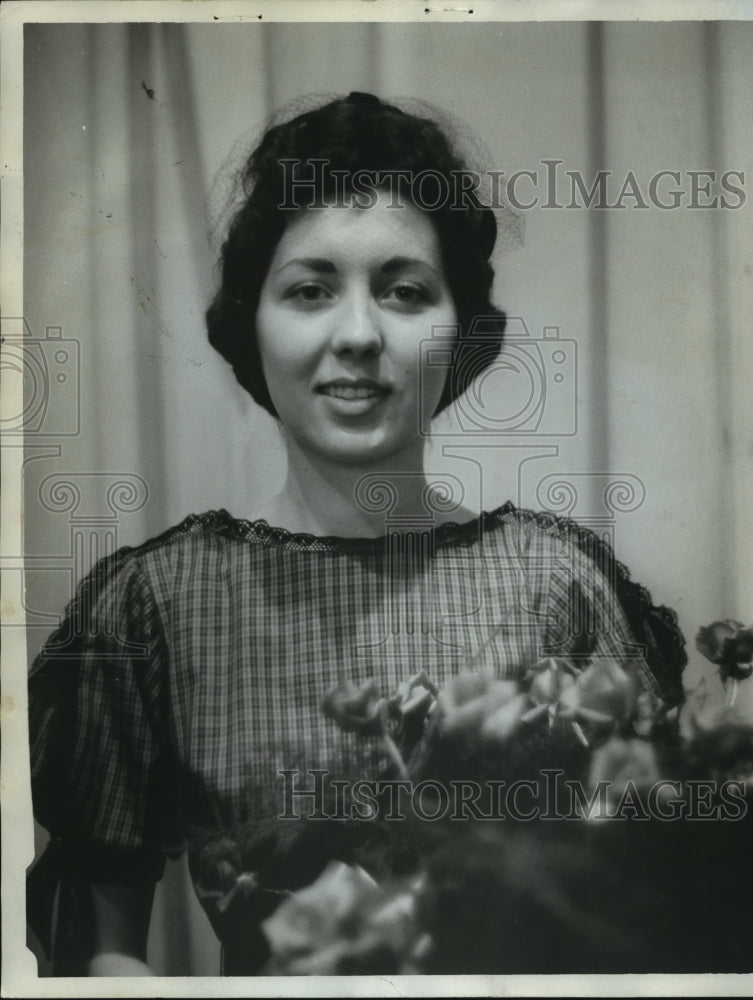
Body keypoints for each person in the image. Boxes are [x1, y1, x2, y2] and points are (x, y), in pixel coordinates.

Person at [27, 92, 686, 976]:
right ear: (251, 326)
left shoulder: (556, 588)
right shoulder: (154, 608)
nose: (359, 334)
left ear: (458, 333)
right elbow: (100, 956)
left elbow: (659, 925)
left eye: (405, 291)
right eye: (310, 290)